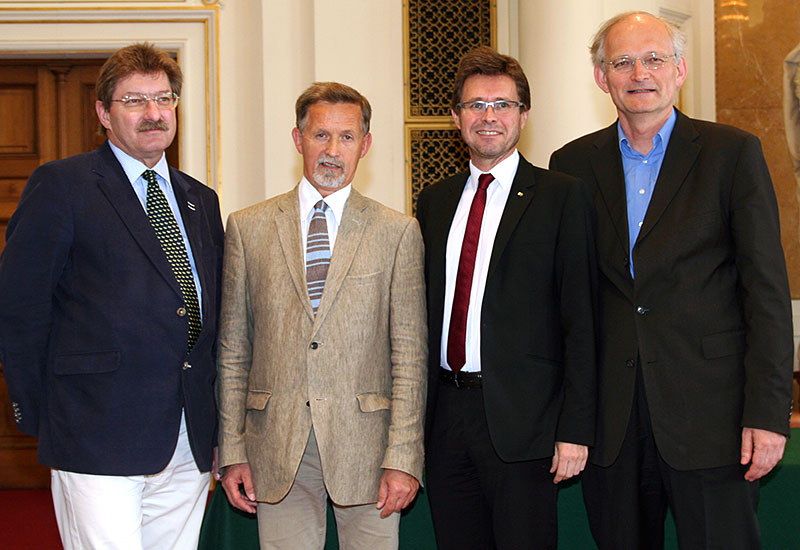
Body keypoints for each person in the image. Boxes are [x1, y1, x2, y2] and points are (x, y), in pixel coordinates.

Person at [549, 11, 794, 549]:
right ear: (601, 77)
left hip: (714, 418)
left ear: (679, 70)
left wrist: (768, 415)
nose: (640, 72)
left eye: (654, 58)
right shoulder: (570, 165)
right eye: (623, 62)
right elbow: (570, 302)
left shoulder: (733, 153)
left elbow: (767, 294)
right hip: (613, 424)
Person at [0, 43, 224, 550]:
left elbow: (211, 317)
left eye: (164, 99)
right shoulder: (63, 186)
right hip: (92, 430)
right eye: (134, 101)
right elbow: (19, 308)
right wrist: (48, 415)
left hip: (187, 437)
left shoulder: (200, 200)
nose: (153, 114)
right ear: (103, 112)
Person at [216, 82, 427, 550]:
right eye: (320, 136)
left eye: (347, 137)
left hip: (367, 447)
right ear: (298, 139)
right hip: (274, 445)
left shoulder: (397, 232)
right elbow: (233, 350)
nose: (333, 150)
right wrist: (232, 451)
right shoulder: (248, 228)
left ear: (365, 145)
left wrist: (404, 457)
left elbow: (410, 357)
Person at [415, 46, 597, 549]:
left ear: (523, 114)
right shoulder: (434, 201)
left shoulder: (563, 196)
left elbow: (581, 320)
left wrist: (575, 429)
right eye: (475, 105)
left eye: (502, 104)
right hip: (445, 419)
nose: (488, 116)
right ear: (456, 117)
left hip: (526, 424)